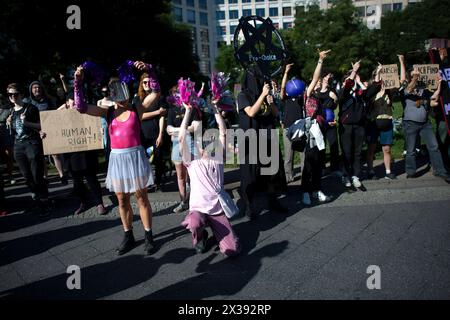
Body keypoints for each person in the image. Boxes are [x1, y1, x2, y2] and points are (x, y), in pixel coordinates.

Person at [73, 61, 160, 255]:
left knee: (142, 198)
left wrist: (149, 69)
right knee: (122, 200)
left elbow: (156, 92)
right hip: (118, 160)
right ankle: (128, 235)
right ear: (110, 93)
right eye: (112, 89)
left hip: (135, 158)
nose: (116, 91)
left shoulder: (137, 108)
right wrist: (77, 83)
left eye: (119, 87)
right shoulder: (108, 112)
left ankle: (148, 236)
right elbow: (80, 107)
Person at [179, 100, 240, 257]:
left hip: (217, 211)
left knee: (232, 251)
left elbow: (223, 132)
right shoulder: (191, 161)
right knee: (194, 222)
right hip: (199, 209)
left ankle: (219, 233)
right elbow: (181, 137)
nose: (208, 148)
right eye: (204, 145)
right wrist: (187, 111)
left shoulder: (218, 158)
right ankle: (199, 237)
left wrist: (215, 109)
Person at [237, 65, 288, 219]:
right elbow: (251, 112)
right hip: (250, 137)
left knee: (271, 171)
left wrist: (270, 101)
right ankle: (249, 205)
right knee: (250, 174)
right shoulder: (242, 95)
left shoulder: (265, 94)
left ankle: (273, 200)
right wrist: (262, 96)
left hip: (266, 134)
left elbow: (276, 113)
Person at [399, 56, 450, 183]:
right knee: (410, 150)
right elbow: (409, 90)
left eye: (417, 75)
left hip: (425, 124)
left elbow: (433, 98)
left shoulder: (423, 89)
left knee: (434, 147)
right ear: (411, 76)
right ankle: (410, 172)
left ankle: (440, 171)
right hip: (410, 123)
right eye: (414, 75)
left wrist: (438, 85)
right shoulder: (405, 88)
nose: (417, 76)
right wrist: (414, 77)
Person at [56, 94, 107, 215]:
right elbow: (50, 121)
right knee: (77, 181)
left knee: (91, 178)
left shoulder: (87, 112)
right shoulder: (62, 116)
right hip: (71, 154)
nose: (74, 104)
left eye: (76, 101)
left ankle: (100, 203)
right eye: (72, 102)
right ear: (67, 103)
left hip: (86, 152)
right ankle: (83, 202)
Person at [5, 83, 51, 216]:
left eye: (15, 94)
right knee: (27, 176)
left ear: (21, 94)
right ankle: (36, 201)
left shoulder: (30, 108)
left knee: (37, 174)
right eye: (10, 95)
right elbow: (15, 132)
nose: (12, 97)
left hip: (31, 143)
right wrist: (9, 124)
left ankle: (45, 201)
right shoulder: (11, 112)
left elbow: (41, 125)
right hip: (18, 146)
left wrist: (26, 123)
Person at [338, 60, 381, 189]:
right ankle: (346, 175)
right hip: (346, 126)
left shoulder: (361, 94)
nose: (356, 79)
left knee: (357, 152)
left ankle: (355, 175)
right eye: (353, 78)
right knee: (346, 152)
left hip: (360, 125)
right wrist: (354, 72)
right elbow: (347, 85)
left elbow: (375, 88)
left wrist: (378, 73)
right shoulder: (343, 93)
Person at [300, 50, 332, 205]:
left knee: (319, 162)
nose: (318, 83)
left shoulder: (319, 99)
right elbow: (315, 77)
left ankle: (317, 190)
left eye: (320, 82)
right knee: (309, 163)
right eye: (316, 82)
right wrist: (320, 60)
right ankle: (305, 192)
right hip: (310, 133)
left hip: (320, 132)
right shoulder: (307, 94)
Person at [24, 80, 67, 185]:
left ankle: (62, 175)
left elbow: (55, 114)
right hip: (35, 131)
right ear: (31, 90)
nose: (37, 89)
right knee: (40, 155)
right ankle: (45, 177)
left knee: (55, 154)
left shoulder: (49, 100)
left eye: (38, 87)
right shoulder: (28, 102)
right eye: (34, 88)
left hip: (49, 129)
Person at [166, 86, 202, 213]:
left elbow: (195, 127)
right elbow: (168, 129)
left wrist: (177, 131)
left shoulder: (193, 109)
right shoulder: (171, 110)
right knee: (180, 175)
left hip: (191, 144)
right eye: (174, 93)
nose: (177, 95)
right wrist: (183, 130)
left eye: (179, 93)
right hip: (176, 145)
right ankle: (183, 202)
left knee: (193, 174)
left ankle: (195, 201)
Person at [135, 73, 167, 191]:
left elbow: (162, 117)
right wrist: (157, 112)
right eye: (144, 82)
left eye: (149, 82)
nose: (147, 84)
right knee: (145, 160)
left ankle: (158, 182)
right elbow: (140, 116)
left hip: (155, 134)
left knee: (157, 159)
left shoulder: (159, 97)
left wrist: (160, 135)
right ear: (141, 84)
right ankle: (147, 182)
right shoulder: (137, 99)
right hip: (142, 135)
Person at [366, 62, 396, 180]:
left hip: (387, 122)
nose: (382, 79)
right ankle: (370, 170)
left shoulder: (390, 91)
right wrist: (378, 71)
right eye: (379, 76)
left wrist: (402, 62)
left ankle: (388, 171)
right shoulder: (371, 92)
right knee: (372, 148)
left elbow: (402, 81)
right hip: (374, 123)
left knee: (387, 148)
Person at [280, 63, 305, 184]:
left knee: (303, 154)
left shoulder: (302, 98)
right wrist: (286, 72)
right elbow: (283, 88)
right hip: (288, 128)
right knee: (288, 155)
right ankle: (288, 176)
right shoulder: (286, 98)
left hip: (300, 128)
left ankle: (305, 175)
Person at [0, 93, 15, 184]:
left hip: (6, 133)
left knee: (8, 155)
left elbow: (11, 121)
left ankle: (10, 176)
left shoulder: (9, 109)